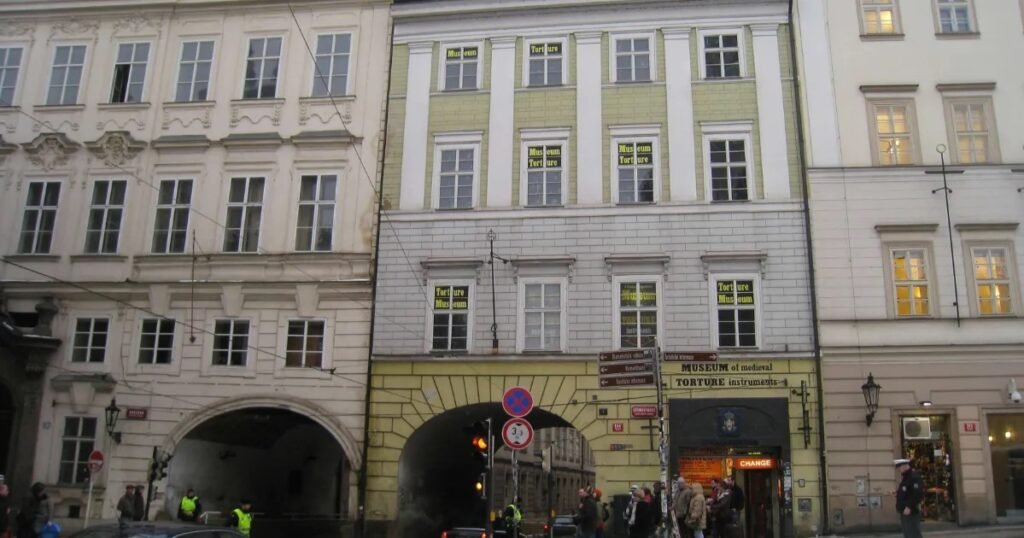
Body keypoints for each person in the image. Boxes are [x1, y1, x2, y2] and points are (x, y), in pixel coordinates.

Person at [894, 458, 924, 538]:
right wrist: (897, 493)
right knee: (908, 534)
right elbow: (907, 491)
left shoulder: (913, 477)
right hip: (905, 511)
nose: (899, 470)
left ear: (905, 466)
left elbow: (918, 494)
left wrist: (909, 506)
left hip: (911, 511)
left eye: (899, 467)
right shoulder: (906, 477)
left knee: (913, 534)